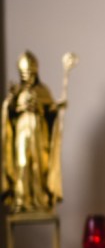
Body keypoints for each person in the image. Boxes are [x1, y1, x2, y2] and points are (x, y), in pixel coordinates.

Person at [1, 51, 66, 213]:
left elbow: (51, 112)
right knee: (23, 164)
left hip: (39, 134)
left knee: (39, 166)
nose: (28, 76)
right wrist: (13, 103)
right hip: (22, 133)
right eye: (25, 73)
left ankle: (40, 199)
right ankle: (21, 199)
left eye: (30, 73)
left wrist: (57, 107)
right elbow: (8, 114)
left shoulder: (43, 91)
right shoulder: (17, 93)